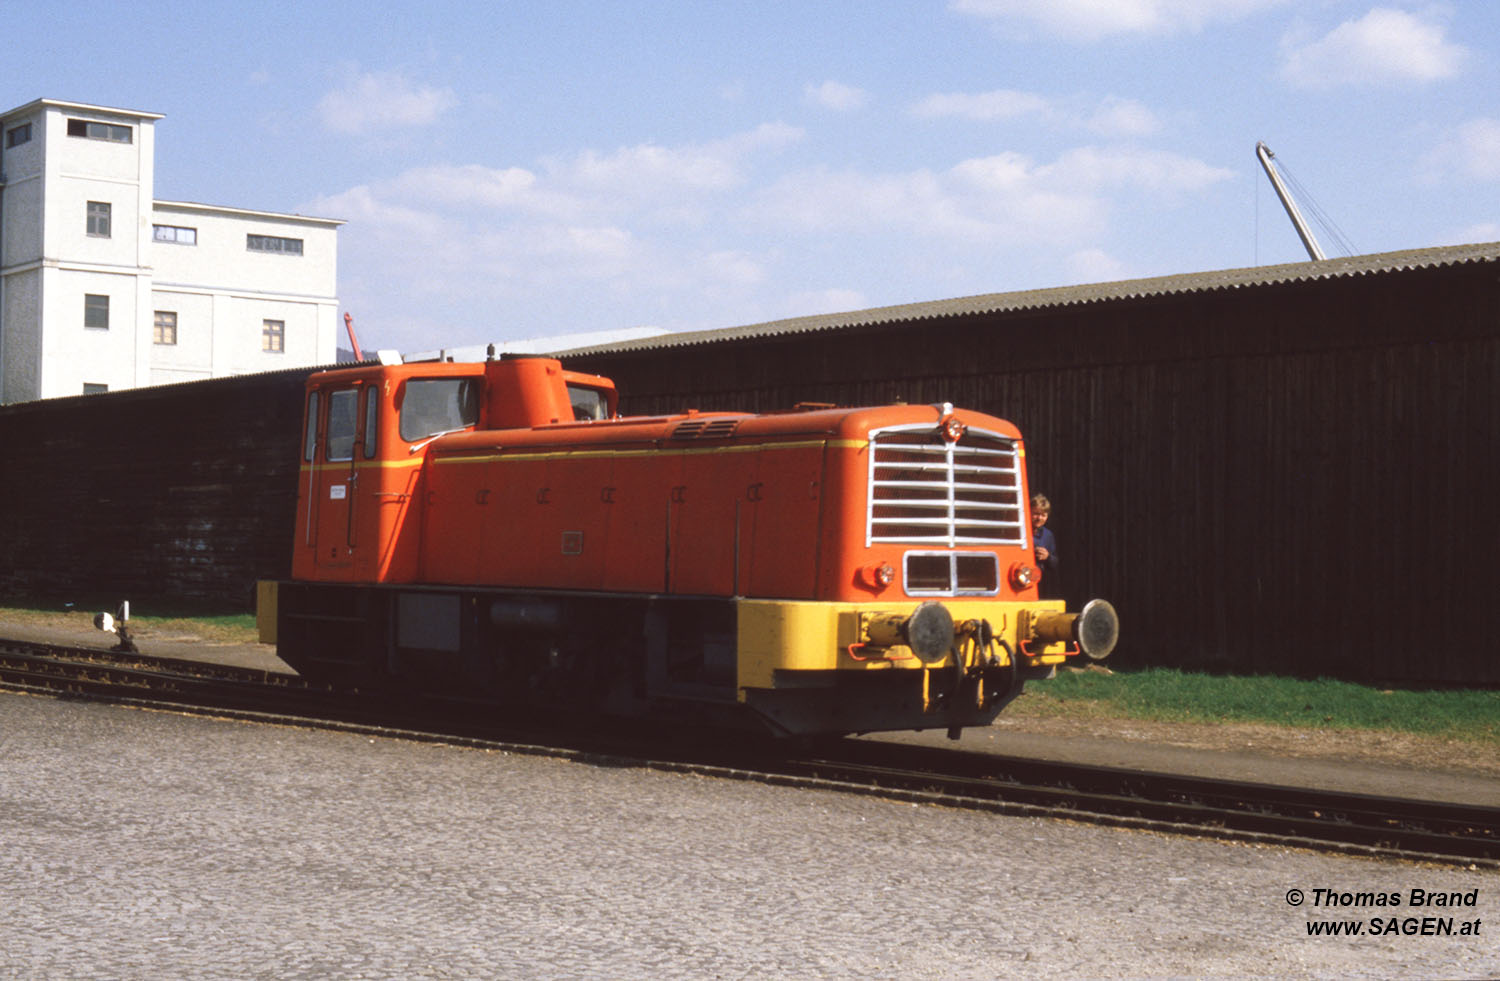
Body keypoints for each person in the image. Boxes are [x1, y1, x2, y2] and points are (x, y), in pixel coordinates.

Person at [1031, 493, 1063, 600]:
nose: (1039, 518)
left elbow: (1055, 563)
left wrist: (1048, 557)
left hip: (1040, 584)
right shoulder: (1019, 532)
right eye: (1036, 514)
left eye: (1043, 515)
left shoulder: (1048, 535)